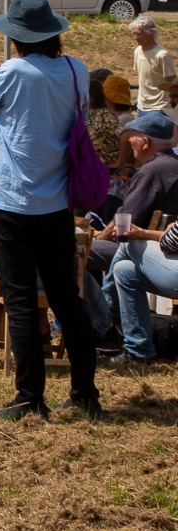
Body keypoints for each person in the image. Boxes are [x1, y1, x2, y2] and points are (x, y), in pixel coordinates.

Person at [0, 0, 101, 421]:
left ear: (18, 37)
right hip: (57, 202)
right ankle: (85, 391)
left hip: (13, 201)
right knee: (67, 298)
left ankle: (30, 397)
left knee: (22, 300)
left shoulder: (14, 70)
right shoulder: (75, 68)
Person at [106, 117, 178, 364]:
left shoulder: (152, 169)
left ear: (145, 142)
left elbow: (170, 240)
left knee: (128, 244)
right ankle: (138, 351)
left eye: (132, 135)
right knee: (124, 270)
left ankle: (101, 319)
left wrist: (144, 234)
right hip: (171, 264)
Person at [129, 15, 178, 122]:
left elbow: (173, 82)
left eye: (138, 33)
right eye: (134, 34)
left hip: (159, 108)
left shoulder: (162, 55)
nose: (135, 37)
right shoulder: (137, 51)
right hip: (142, 107)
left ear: (150, 33)